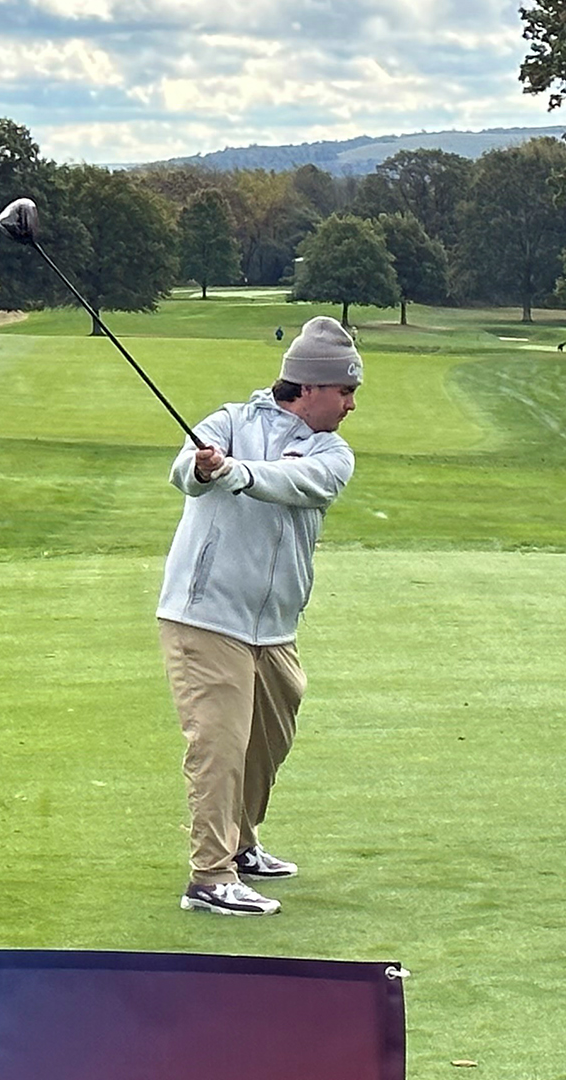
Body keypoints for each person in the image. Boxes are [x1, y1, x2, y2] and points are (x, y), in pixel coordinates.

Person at [157, 315, 361, 916]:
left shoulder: (332, 452)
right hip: (205, 614)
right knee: (219, 744)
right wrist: (202, 467)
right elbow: (181, 474)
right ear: (310, 386)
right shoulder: (229, 422)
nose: (351, 405)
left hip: (274, 627)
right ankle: (210, 876)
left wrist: (238, 472)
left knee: (267, 743)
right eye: (345, 391)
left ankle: (241, 844)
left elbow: (298, 482)